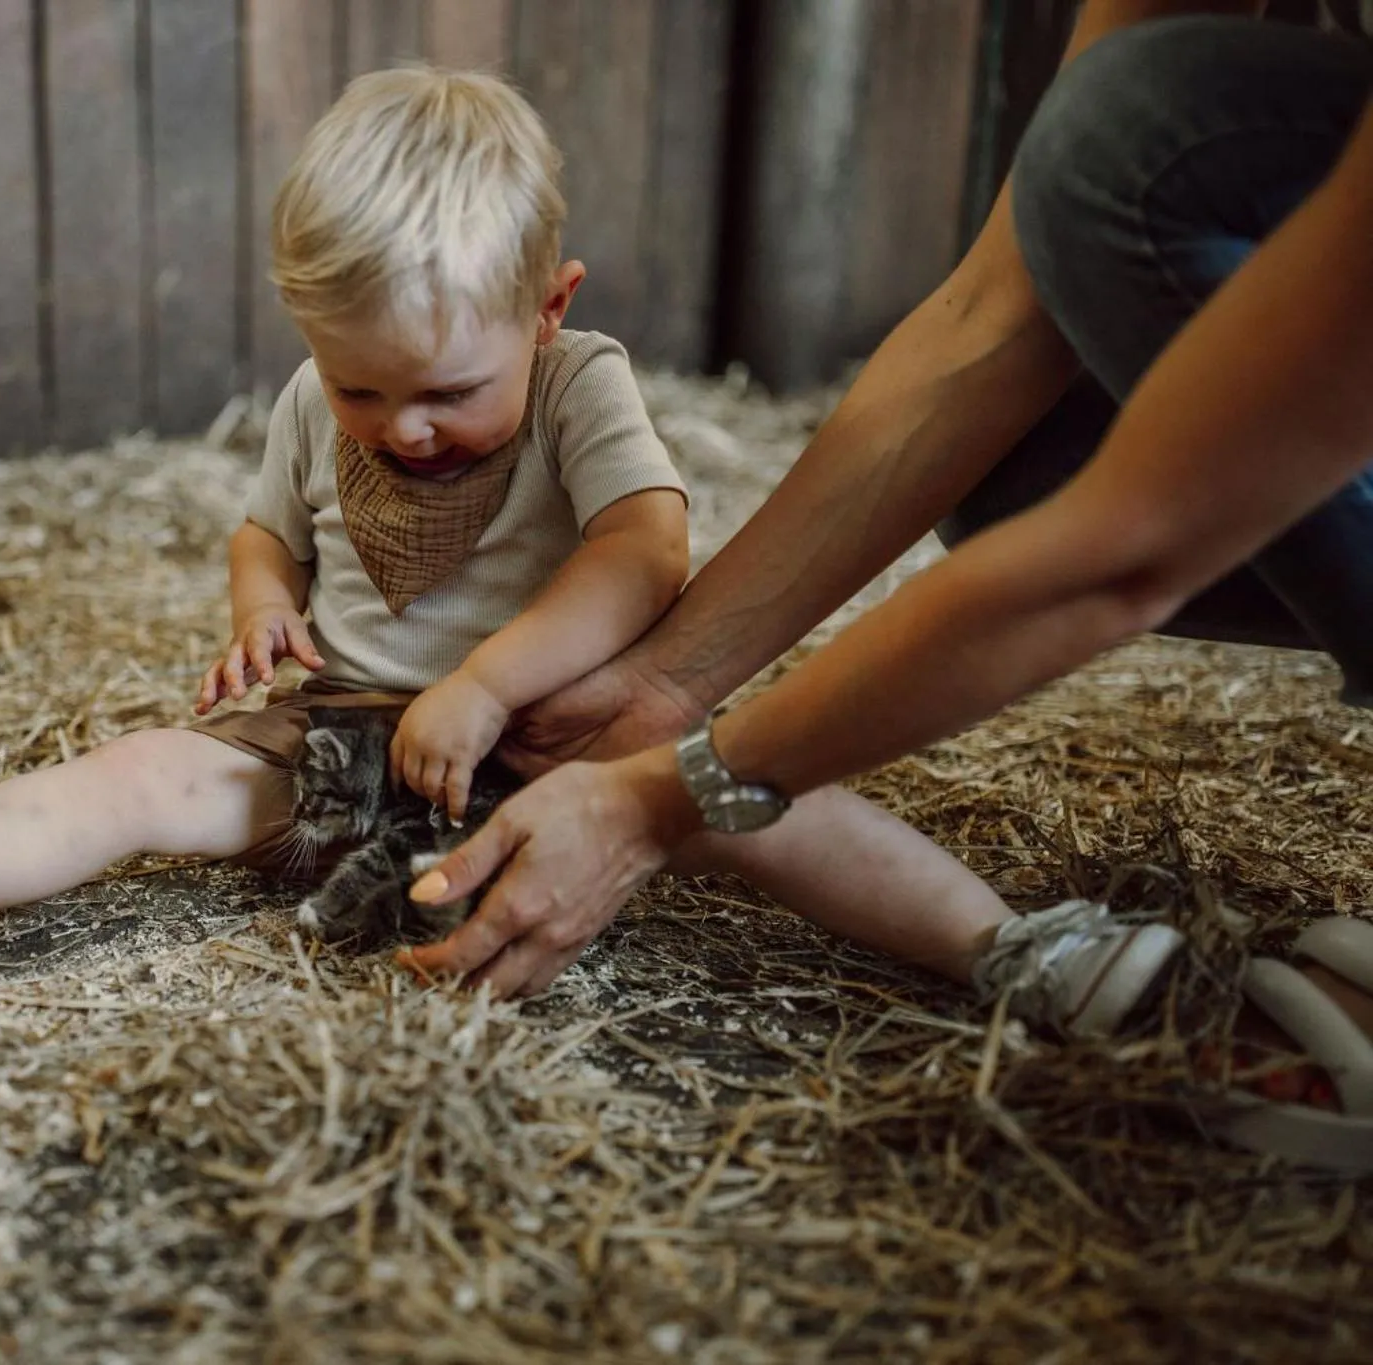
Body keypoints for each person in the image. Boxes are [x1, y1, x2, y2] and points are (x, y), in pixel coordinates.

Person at [0, 67, 1171, 1039]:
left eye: (449, 390)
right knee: (147, 772)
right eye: (359, 389)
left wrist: (486, 680)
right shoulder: (313, 403)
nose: (400, 429)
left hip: (564, 738)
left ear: (547, 306)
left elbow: (647, 555)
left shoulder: (582, 385)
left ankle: (1013, 950)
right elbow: (266, 530)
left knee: (769, 797)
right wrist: (263, 610)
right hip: (342, 732)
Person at [401, 8, 1373, 1167]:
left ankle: (1023, 948)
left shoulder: (584, 390)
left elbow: (1124, 547)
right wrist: (665, 686)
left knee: (1142, 135)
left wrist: (657, 800)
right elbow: (992, 314)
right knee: (1027, 440)